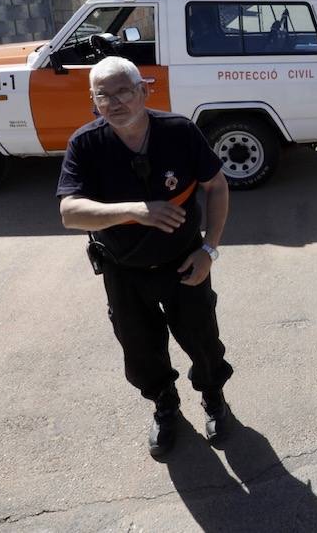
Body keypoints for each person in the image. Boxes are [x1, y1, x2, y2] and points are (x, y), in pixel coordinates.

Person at [58, 56, 234, 459]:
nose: (116, 102)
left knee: (203, 341)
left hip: (185, 262)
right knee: (138, 349)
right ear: (93, 101)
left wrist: (209, 249)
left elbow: (218, 186)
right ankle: (165, 405)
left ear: (144, 91)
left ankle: (213, 399)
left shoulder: (179, 132)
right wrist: (135, 211)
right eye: (104, 95)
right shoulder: (85, 144)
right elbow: (70, 213)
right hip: (124, 270)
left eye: (124, 91)